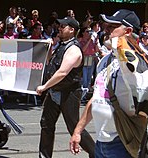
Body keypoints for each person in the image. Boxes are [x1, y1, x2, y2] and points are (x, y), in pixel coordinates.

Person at [70, 9, 148, 158]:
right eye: (105, 26)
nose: (105, 30)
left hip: (124, 143)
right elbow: (96, 98)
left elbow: (142, 87)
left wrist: (122, 46)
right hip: (101, 142)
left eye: (112, 27)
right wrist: (78, 131)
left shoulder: (139, 62)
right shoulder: (105, 61)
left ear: (127, 31)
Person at [36, 16, 95, 158]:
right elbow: (50, 62)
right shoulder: (62, 45)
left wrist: (44, 87)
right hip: (55, 91)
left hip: (69, 93)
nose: (60, 28)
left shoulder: (74, 49)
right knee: (46, 124)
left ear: (72, 30)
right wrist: (50, 48)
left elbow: (62, 73)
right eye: (60, 26)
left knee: (74, 127)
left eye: (63, 26)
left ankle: (96, 153)